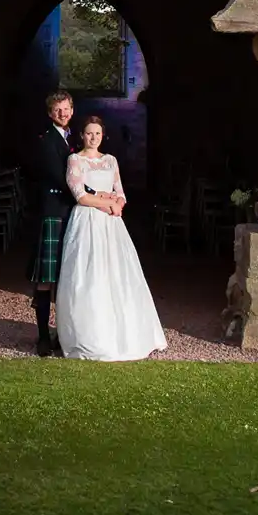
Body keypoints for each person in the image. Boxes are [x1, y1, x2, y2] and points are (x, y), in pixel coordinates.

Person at [55, 115, 168, 361]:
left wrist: (118, 204)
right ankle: (88, 335)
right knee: (88, 274)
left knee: (117, 272)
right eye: (88, 133)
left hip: (111, 225)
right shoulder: (75, 160)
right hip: (87, 221)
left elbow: (121, 191)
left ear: (102, 135)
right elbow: (80, 195)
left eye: (97, 133)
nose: (93, 138)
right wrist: (105, 205)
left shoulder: (111, 160)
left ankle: (127, 332)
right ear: (82, 135)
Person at [25, 89, 76, 357]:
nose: (63, 113)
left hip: (71, 213)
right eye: (58, 110)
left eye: (66, 108)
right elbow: (62, 178)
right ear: (50, 113)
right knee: (46, 279)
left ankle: (64, 334)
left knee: (68, 278)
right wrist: (93, 196)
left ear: (72, 110)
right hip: (53, 212)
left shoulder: (73, 139)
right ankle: (43, 337)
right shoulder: (46, 141)